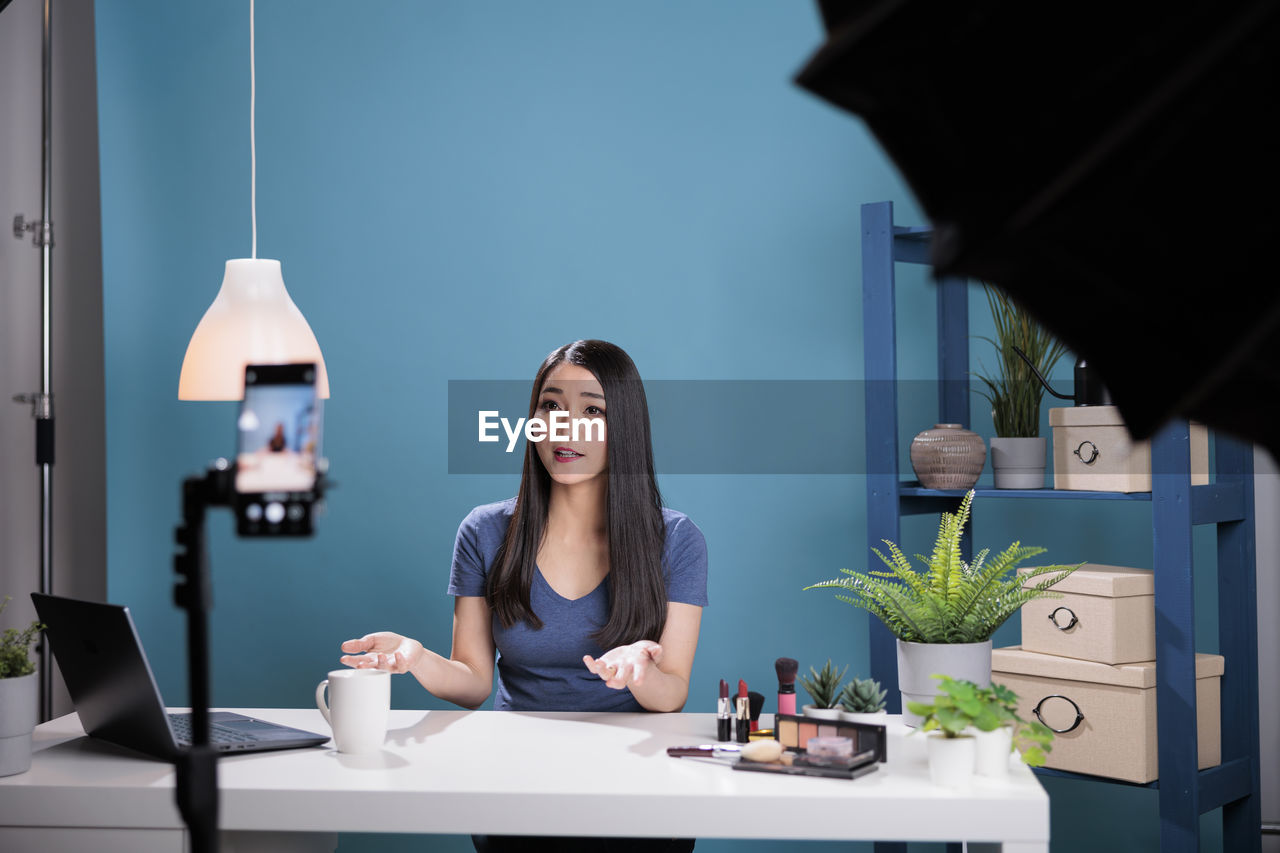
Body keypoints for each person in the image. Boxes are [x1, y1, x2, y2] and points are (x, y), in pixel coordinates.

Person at [340, 340, 707, 852]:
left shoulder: (676, 540)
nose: (564, 426)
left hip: (635, 786)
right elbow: (472, 683)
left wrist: (642, 673)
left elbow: (674, 696)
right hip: (515, 783)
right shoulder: (485, 531)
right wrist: (418, 659)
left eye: (592, 410)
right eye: (550, 405)